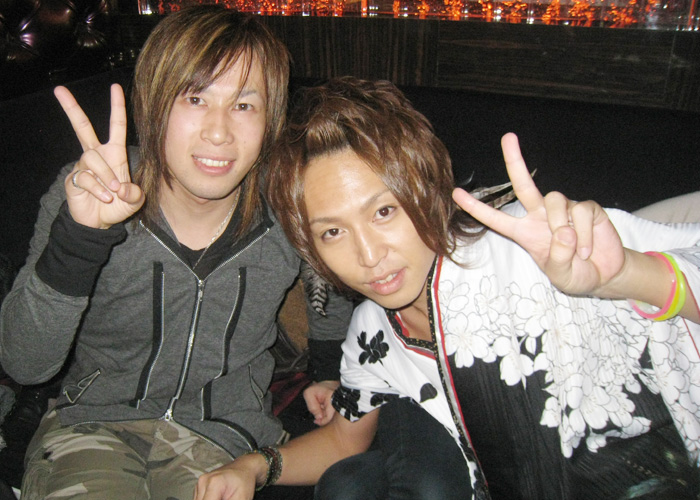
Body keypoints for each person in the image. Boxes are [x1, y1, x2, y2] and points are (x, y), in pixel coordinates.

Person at [194, 76, 700, 500]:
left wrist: (626, 277)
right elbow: (344, 441)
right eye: (332, 232)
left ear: (427, 189)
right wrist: (255, 466)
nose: (368, 256)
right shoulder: (374, 335)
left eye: (384, 211)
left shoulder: (532, 246)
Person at [0, 7, 353, 499]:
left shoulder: (290, 207)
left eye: (244, 105)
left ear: (270, 120)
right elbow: (24, 363)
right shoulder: (88, 192)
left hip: (226, 440)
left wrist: (329, 372)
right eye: (195, 98)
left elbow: (329, 288)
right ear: (154, 103)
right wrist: (80, 238)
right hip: (91, 428)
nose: (218, 132)